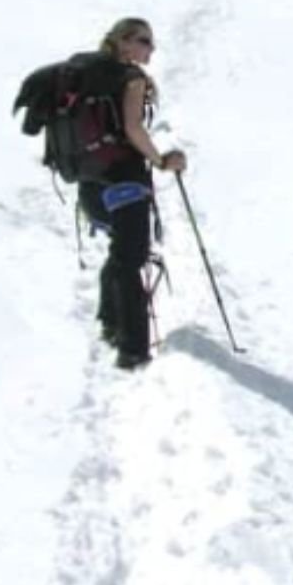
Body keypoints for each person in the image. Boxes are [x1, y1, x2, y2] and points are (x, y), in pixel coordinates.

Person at [77, 18, 187, 370]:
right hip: (124, 180)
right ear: (124, 42)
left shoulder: (87, 74)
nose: (150, 49)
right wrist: (161, 161)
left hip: (90, 183)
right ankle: (133, 349)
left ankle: (110, 324)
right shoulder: (130, 78)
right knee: (131, 259)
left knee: (121, 253)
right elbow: (133, 128)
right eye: (144, 41)